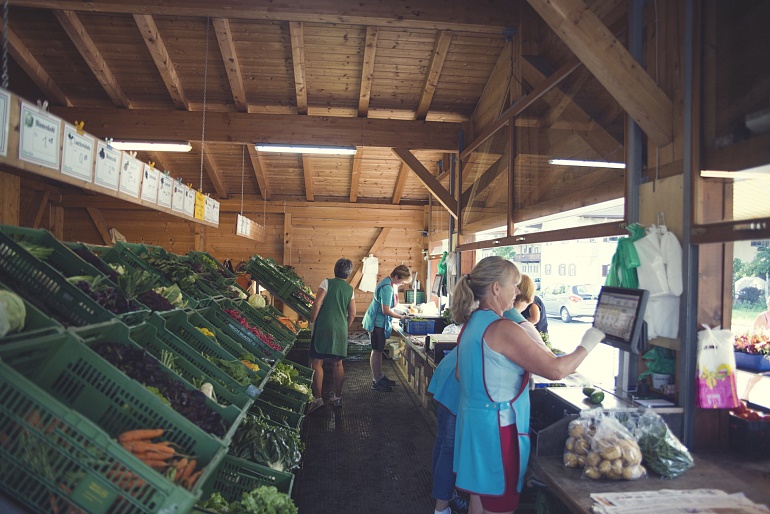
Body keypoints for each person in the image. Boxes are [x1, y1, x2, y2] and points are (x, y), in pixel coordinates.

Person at [452, 256, 604, 514]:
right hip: (497, 432)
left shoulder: (473, 323)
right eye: (514, 284)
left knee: (479, 501)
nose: (518, 291)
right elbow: (556, 370)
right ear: (496, 288)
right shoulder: (503, 328)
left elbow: (460, 374)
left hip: (474, 426)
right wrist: (590, 341)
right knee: (498, 505)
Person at [306, 258, 356, 413]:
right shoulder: (350, 289)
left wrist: (312, 320)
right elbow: (352, 313)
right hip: (340, 328)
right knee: (338, 364)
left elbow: (317, 303)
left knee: (317, 362)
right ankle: (338, 397)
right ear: (348, 273)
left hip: (324, 326)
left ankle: (318, 399)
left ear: (335, 269)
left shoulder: (326, 283)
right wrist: (344, 327)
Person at [427, 347, 469, 514]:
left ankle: (441, 492)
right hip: (458, 382)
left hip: (448, 371)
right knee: (449, 449)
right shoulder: (511, 327)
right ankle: (442, 506)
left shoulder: (479, 323)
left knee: (443, 441)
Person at [362, 264, 412, 392]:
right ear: (396, 276)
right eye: (401, 281)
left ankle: (380, 377)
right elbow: (386, 310)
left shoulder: (390, 283)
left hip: (379, 322)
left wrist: (404, 310)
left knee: (379, 350)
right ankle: (376, 381)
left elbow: (392, 304)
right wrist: (401, 318)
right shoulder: (387, 288)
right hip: (376, 323)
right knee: (376, 351)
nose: (401, 284)